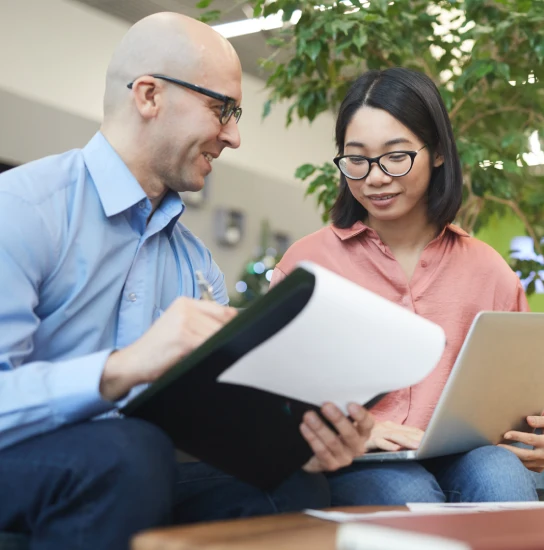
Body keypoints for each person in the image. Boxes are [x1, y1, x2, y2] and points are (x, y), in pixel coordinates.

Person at [0, 13, 372, 550]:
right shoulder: (24, 210)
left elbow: (213, 423)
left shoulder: (197, 265)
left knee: (287, 482)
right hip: (34, 455)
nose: (235, 136)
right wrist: (120, 369)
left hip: (134, 462)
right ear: (149, 96)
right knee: (130, 451)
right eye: (222, 109)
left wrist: (294, 444)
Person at [270, 67, 544, 506]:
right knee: (407, 489)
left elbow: (542, 367)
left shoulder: (485, 267)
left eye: (396, 156)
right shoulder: (307, 267)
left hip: (461, 452)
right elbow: (269, 391)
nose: (374, 177)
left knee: (498, 471)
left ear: (437, 152)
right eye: (356, 159)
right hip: (359, 462)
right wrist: (362, 428)